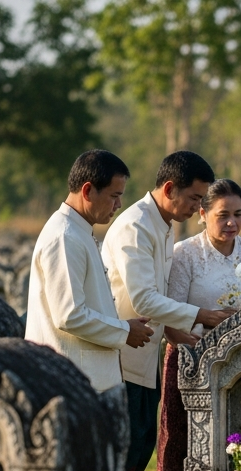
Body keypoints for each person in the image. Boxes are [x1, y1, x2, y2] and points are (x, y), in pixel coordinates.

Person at [102, 151, 235, 471]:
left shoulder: (162, 225)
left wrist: (189, 336)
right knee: (124, 454)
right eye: (194, 199)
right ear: (169, 188)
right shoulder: (135, 226)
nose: (196, 207)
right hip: (121, 356)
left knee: (139, 449)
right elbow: (144, 298)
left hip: (146, 356)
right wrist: (202, 316)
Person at [156, 179, 241, 471]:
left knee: (240, 441)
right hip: (191, 360)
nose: (232, 223)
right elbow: (170, 323)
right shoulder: (185, 254)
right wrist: (208, 346)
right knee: (180, 445)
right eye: (223, 215)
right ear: (202, 214)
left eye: (238, 214)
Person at [25, 149, 154, 392]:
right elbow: (69, 315)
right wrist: (125, 331)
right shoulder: (65, 236)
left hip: (86, 378)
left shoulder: (78, 230)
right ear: (87, 191)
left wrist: (123, 325)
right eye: (114, 196)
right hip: (71, 381)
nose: (119, 204)